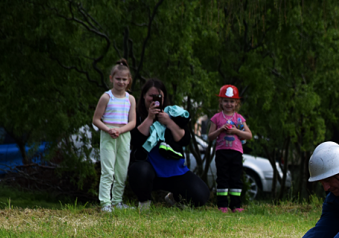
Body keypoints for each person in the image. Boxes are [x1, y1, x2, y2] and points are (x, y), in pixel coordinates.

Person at [128, 78, 210, 210]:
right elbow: (134, 141)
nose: (154, 100)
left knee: (201, 195)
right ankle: (144, 204)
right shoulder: (136, 115)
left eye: (158, 96)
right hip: (149, 169)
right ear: (143, 95)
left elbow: (185, 140)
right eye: (151, 96)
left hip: (173, 170)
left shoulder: (173, 113)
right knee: (138, 171)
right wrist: (150, 118)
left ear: (164, 97)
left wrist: (169, 122)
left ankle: (174, 197)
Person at [92, 59, 137, 212]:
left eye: (124, 79)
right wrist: (108, 129)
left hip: (123, 135)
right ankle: (105, 203)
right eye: (118, 79)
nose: (121, 82)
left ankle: (117, 201)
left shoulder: (130, 99)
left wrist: (121, 131)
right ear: (111, 78)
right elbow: (96, 119)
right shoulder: (106, 97)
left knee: (121, 170)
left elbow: (132, 122)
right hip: (108, 135)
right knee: (108, 170)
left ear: (129, 80)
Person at [206, 85, 253, 213]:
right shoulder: (216, 118)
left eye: (232, 101)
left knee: (236, 178)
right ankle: (222, 205)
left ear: (236, 103)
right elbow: (210, 136)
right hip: (222, 152)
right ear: (220, 101)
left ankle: (235, 206)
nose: (229, 104)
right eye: (225, 101)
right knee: (222, 178)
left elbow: (249, 135)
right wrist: (220, 130)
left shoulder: (239, 118)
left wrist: (236, 131)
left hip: (236, 153)